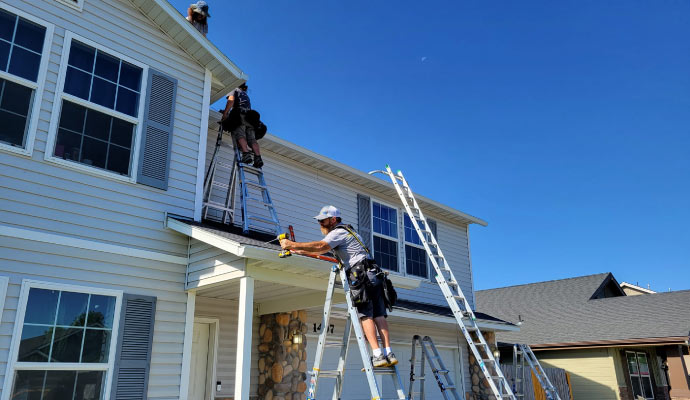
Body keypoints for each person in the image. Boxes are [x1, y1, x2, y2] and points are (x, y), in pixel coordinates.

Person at [279, 205, 398, 368]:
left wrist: (291, 243)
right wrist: (296, 249)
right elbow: (320, 251)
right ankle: (388, 353)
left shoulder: (338, 232)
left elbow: (321, 247)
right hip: (373, 274)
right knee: (379, 315)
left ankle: (377, 355)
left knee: (365, 315)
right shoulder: (350, 232)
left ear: (333, 219)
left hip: (360, 275)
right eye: (319, 220)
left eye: (323, 220)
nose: (320, 223)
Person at [221, 83, 263, 168]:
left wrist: (225, 113)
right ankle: (258, 158)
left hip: (241, 115)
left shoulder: (234, 89)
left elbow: (231, 100)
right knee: (252, 139)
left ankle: (246, 154)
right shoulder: (245, 94)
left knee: (240, 134)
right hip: (251, 117)